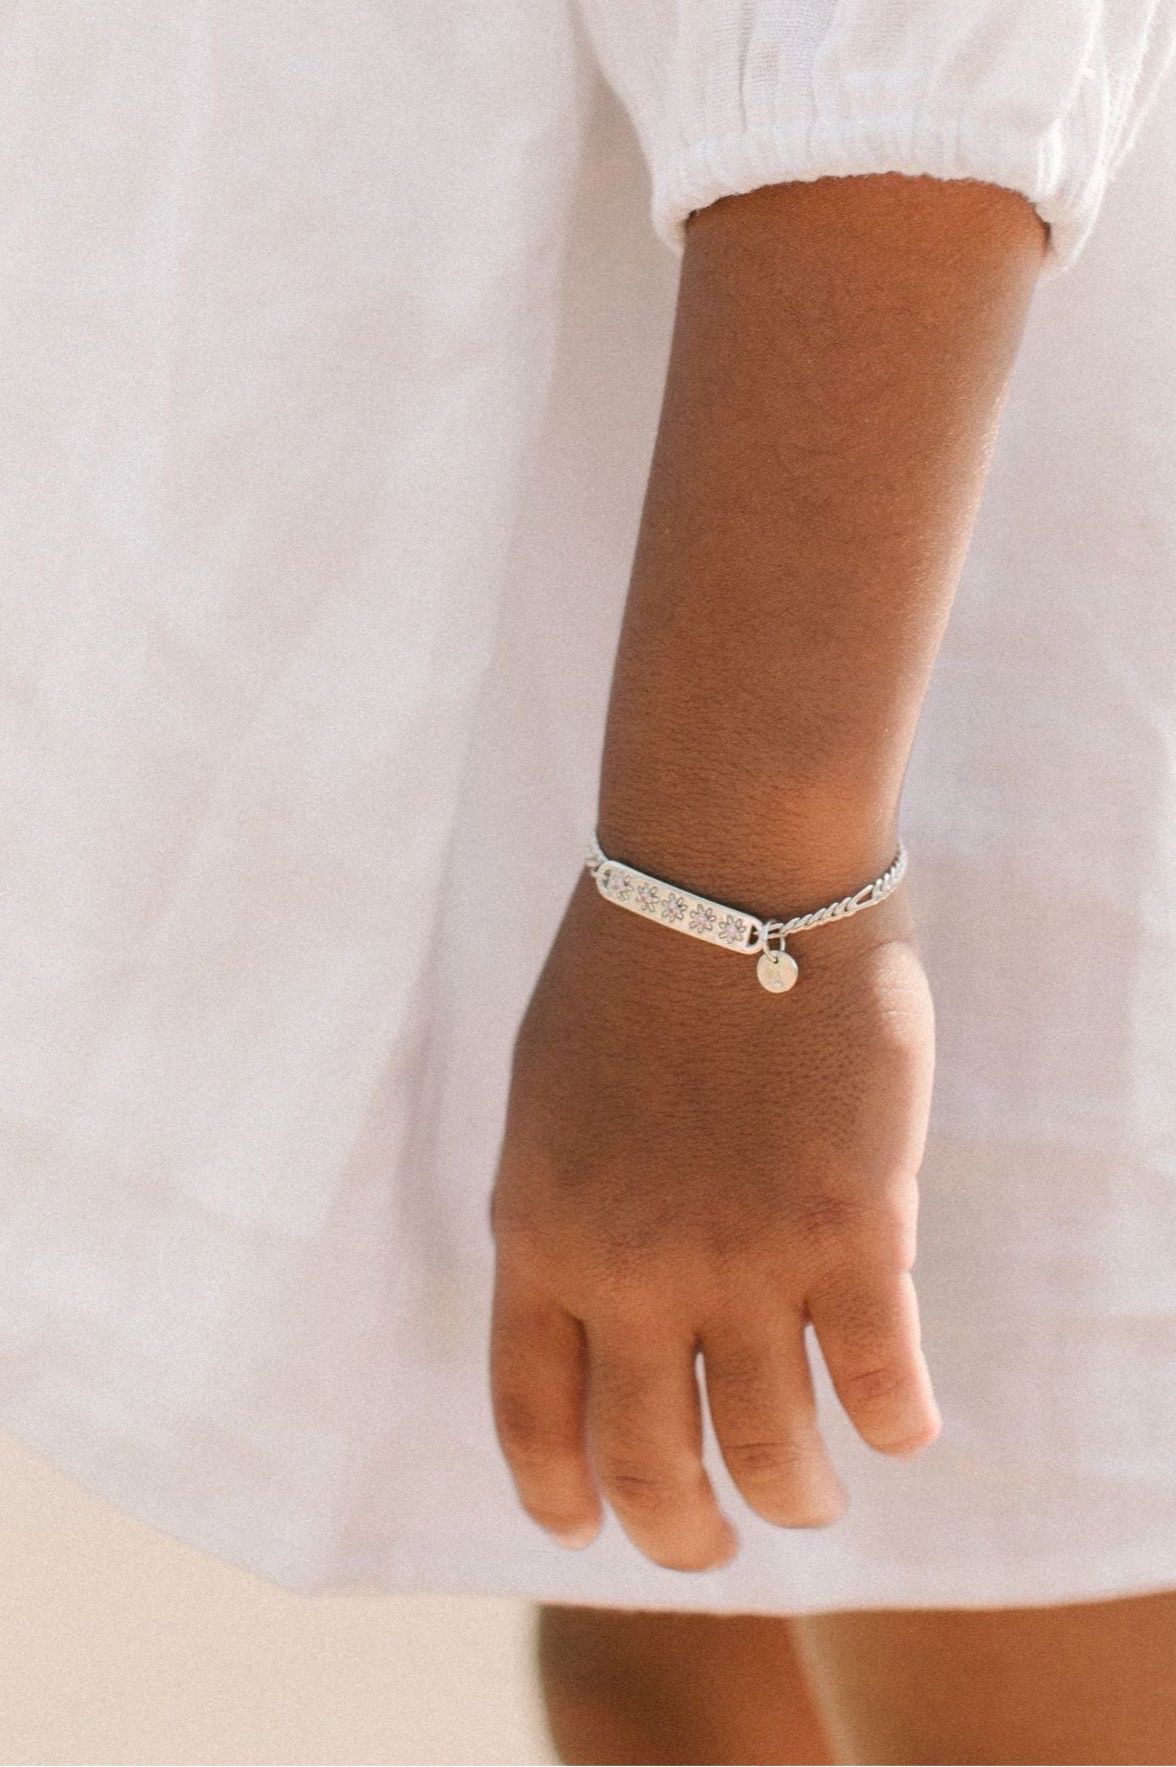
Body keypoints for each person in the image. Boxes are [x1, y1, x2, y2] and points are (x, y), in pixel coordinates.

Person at [1, 4, 1175, 1763]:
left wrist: (745, 879)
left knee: (1004, 1620)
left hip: (898, 562)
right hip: (631, 494)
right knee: (679, 1643)